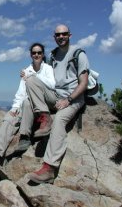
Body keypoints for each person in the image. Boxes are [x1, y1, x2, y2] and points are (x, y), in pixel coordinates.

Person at [23, 24, 89, 184]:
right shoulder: (53, 55)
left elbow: (84, 83)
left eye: (64, 34)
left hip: (73, 98)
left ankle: (49, 168)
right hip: (55, 95)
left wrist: (69, 100)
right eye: (58, 35)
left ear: (69, 35)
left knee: (59, 120)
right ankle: (45, 118)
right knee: (30, 80)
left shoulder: (78, 54)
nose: (61, 37)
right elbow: (43, 74)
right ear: (54, 37)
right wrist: (27, 72)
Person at [0, 43, 56, 170]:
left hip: (42, 103)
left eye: (39, 52)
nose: (36, 55)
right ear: (30, 55)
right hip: (27, 106)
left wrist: (32, 77)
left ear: (43, 54)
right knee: (9, 118)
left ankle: (25, 138)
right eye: (34, 53)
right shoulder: (26, 70)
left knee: (26, 102)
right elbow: (21, 92)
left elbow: (52, 85)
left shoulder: (48, 68)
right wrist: (15, 108)